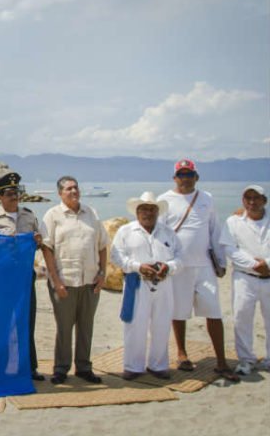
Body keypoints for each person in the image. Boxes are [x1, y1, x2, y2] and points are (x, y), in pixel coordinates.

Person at [157, 159, 238, 381]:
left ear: (196, 177)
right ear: (174, 178)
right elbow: (160, 233)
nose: (185, 178)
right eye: (181, 174)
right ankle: (182, 354)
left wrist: (221, 261)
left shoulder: (207, 199)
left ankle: (221, 361)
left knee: (214, 312)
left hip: (204, 266)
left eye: (189, 174)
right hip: (178, 266)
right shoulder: (164, 200)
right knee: (179, 312)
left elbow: (214, 229)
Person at [41, 175, 108, 385]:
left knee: (86, 327)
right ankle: (61, 368)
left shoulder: (91, 213)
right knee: (64, 327)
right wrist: (56, 280)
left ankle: (84, 367)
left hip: (89, 280)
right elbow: (47, 248)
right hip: (65, 281)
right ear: (60, 193)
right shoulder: (52, 216)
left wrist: (102, 274)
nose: (73, 191)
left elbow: (102, 245)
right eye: (68, 189)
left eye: (75, 188)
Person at [0, 172, 44, 381]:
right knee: (1, 322)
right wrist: (5, 241)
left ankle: (29, 367)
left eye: (16, 193)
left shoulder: (29, 216)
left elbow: (41, 242)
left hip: (25, 277)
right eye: (9, 193)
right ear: (0, 196)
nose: (14, 196)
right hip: (2, 277)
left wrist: (36, 240)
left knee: (26, 322)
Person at [111, 192, 182, 380]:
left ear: (158, 211)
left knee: (162, 324)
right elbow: (116, 256)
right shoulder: (125, 231)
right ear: (137, 211)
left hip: (164, 284)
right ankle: (133, 366)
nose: (148, 213)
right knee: (135, 325)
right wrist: (137, 266)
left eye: (152, 209)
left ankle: (158, 365)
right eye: (144, 209)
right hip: (137, 283)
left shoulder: (168, 232)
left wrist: (169, 267)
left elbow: (180, 258)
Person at [219, 185, 270, 375]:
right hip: (244, 277)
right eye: (247, 198)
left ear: (264, 201)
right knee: (241, 317)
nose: (251, 202)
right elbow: (230, 249)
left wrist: (267, 263)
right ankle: (246, 359)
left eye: (256, 198)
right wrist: (254, 265)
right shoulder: (233, 222)